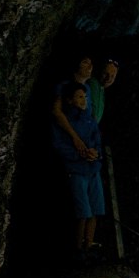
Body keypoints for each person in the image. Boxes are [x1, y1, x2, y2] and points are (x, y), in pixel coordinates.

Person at [52, 83, 105, 259]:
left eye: (85, 97)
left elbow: (97, 140)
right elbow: (60, 145)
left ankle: (88, 244)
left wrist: (95, 153)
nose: (84, 100)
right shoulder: (65, 122)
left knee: (95, 210)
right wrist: (79, 155)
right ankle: (77, 249)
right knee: (82, 211)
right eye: (80, 97)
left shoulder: (89, 119)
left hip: (92, 168)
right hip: (76, 170)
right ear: (69, 100)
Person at [51, 54, 99, 157]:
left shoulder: (88, 89)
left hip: (84, 144)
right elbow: (56, 112)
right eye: (85, 62)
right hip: (65, 142)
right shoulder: (63, 86)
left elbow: (89, 117)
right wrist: (75, 137)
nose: (90, 67)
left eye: (91, 63)